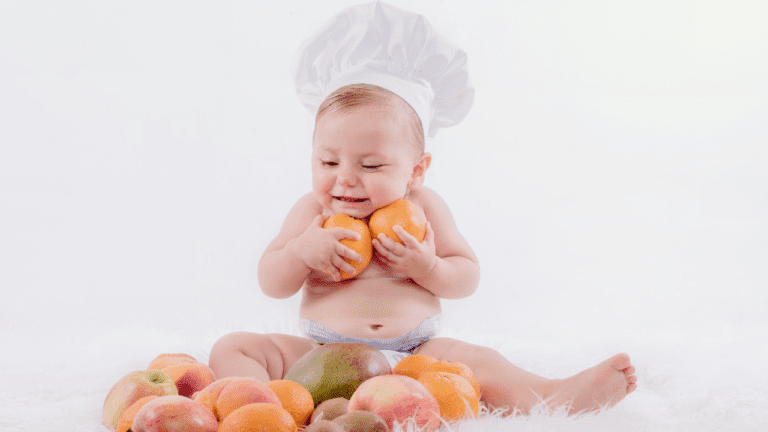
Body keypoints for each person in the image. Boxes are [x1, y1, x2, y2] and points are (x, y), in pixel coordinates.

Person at [209, 1, 637, 415]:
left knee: (478, 362)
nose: (345, 177)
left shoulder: (424, 207)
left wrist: (427, 266)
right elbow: (271, 282)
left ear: (416, 171)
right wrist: (301, 253)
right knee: (234, 347)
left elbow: (466, 276)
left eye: (371, 164)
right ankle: (266, 409)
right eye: (328, 161)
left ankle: (552, 397)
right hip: (323, 358)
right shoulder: (312, 214)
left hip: (417, 356)